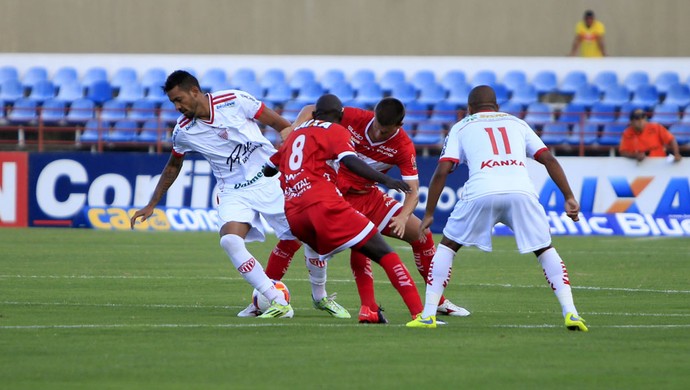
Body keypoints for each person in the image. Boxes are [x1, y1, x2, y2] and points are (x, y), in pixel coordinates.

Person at [129, 70, 346, 319]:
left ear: (195, 91)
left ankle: (320, 298)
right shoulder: (183, 131)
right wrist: (152, 203)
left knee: (311, 237)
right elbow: (173, 166)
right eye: (173, 102)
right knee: (229, 241)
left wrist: (294, 160)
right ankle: (276, 300)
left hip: (269, 179)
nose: (177, 107)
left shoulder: (234, 100)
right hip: (233, 190)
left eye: (179, 99)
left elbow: (283, 127)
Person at [272, 97, 469, 324]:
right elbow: (311, 109)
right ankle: (265, 292)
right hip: (333, 194)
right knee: (293, 239)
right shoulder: (355, 117)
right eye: (376, 127)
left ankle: (438, 300)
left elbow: (413, 190)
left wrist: (404, 217)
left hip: (368, 195)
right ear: (372, 116)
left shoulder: (403, 145)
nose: (377, 134)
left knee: (420, 235)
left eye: (384, 132)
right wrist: (294, 129)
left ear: (399, 126)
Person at [407, 85, 588, 331]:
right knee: (545, 249)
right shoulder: (518, 123)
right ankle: (571, 313)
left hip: (482, 191)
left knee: (448, 246)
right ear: (497, 107)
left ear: (469, 109)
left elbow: (442, 170)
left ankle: (428, 315)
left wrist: (429, 214)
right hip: (521, 192)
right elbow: (548, 159)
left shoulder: (462, 126)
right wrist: (568, 196)